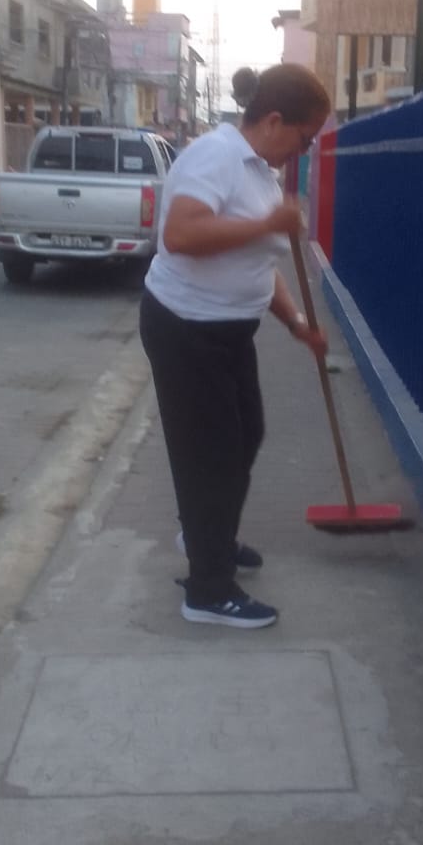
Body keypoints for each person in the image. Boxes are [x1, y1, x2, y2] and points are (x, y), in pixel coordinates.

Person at [140, 63, 332, 629]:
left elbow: (257, 265)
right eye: (304, 138)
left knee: (246, 435)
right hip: (186, 327)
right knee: (211, 455)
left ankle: (209, 535)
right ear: (274, 121)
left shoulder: (260, 173)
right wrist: (268, 223)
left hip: (228, 329)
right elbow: (181, 234)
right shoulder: (216, 157)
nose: (304, 150)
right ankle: (208, 590)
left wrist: (296, 322)